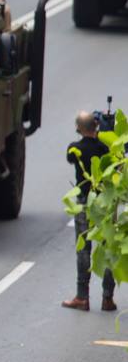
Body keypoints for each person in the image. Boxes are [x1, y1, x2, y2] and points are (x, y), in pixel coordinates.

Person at [64, 111, 116, 311]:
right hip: (105, 203)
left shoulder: (74, 148)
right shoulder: (105, 148)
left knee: (83, 249)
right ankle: (107, 298)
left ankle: (82, 296)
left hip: (85, 203)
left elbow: (70, 158)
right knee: (108, 249)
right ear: (96, 127)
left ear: (78, 128)